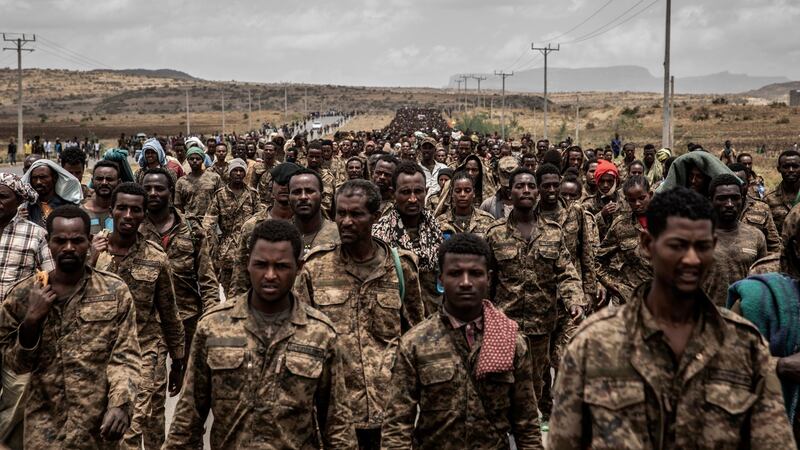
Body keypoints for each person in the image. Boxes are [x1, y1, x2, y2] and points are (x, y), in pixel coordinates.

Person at [549, 186, 796, 449]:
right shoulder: (593, 344)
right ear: (647, 245)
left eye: (702, 246)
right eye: (677, 245)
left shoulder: (745, 346)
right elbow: (565, 442)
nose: (691, 259)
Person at [164, 220, 357, 449]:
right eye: (261, 264)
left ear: (299, 267)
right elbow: (187, 420)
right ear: (248, 264)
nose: (270, 275)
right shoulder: (213, 327)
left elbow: (337, 427)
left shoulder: (321, 334)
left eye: (281, 266)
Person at [381, 233, 543, 449]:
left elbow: (527, 424)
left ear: (489, 278)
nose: (466, 282)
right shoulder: (415, 343)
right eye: (455, 273)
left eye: (475, 273)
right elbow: (397, 427)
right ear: (440, 279)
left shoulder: (510, 339)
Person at [296, 180, 424, 449]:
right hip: (335, 416)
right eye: (341, 213)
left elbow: (416, 339)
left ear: (375, 217)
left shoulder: (400, 268)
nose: (346, 222)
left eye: (356, 214)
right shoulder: (315, 269)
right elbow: (300, 340)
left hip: (390, 415)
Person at [0, 205, 140, 449]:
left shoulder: (114, 291)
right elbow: (15, 367)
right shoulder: (23, 294)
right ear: (48, 242)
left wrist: (120, 404)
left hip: (98, 427)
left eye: (77, 240)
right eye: (60, 240)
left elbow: (125, 356)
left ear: (89, 241)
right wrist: (31, 322)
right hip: (44, 430)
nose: (68, 248)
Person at [485, 167, 584, 429]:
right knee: (503, 382)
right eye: (520, 186)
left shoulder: (553, 232)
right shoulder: (494, 233)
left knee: (535, 384)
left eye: (531, 186)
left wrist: (574, 300)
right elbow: (486, 279)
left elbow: (567, 272)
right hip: (505, 325)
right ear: (510, 193)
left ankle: (527, 430)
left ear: (537, 191)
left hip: (541, 326)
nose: (526, 190)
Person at [89, 182, 185, 450]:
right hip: (97, 355)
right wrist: (91, 257)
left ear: (144, 214)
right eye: (122, 208)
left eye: (136, 210)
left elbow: (169, 312)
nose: (128, 216)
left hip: (143, 354)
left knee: (130, 429)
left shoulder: (156, 257)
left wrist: (178, 361)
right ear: (111, 210)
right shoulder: (92, 250)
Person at [0, 173, 54, 446]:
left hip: (16, 336)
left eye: (2, 197)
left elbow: (51, 278)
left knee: (15, 402)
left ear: (19, 200)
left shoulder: (35, 234)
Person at [140, 168, 219, 354]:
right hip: (148, 323)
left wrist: (212, 315)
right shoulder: (135, 228)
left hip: (187, 317)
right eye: (147, 188)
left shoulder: (191, 228)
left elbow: (207, 277)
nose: (153, 193)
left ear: (171, 191)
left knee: (189, 370)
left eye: (159, 188)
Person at [373, 162, 444, 316]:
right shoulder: (379, 235)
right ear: (393, 194)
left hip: (435, 317)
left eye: (418, 191)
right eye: (405, 192)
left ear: (426, 192)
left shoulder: (440, 231)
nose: (413, 199)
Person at [703, 174, 767, 306]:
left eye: (735, 198)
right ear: (710, 200)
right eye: (722, 198)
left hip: (745, 314)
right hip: (708, 314)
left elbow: (762, 281)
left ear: (742, 200)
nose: (729, 204)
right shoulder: (697, 236)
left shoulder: (756, 236)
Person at [202, 158, 262, 292]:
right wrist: (210, 244)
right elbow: (209, 222)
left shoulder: (252, 194)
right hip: (226, 250)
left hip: (249, 247)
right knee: (228, 289)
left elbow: (260, 218)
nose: (238, 173)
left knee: (249, 289)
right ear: (230, 173)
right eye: (235, 170)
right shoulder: (220, 195)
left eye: (241, 170)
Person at [596, 175, 653, 303]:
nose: (637, 204)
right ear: (626, 200)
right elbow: (597, 260)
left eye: (642, 198)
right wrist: (611, 283)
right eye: (632, 200)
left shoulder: (667, 221)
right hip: (631, 297)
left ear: (650, 195)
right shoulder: (620, 225)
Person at [728, 163, 782, 254]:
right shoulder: (717, 207)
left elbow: (774, 244)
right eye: (733, 183)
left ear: (748, 183)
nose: (737, 187)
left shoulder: (762, 208)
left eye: (741, 183)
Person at [287, 168, 340, 255]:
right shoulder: (280, 235)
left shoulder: (339, 235)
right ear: (288, 198)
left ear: (322, 196)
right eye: (297, 192)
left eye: (310, 191)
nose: (303, 197)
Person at [22, 159, 83, 227]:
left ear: (55, 178)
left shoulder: (67, 206)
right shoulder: (26, 207)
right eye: (34, 178)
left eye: (43, 177)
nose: (38, 182)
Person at [436, 171, 497, 238]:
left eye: (467, 191)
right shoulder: (440, 222)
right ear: (452, 193)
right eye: (458, 191)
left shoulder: (488, 221)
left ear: (473, 193)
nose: (462, 194)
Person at [173, 146, 222, 224]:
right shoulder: (181, 182)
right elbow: (178, 205)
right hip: (190, 223)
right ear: (188, 160)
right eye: (191, 159)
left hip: (211, 221)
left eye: (198, 159)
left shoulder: (214, 177)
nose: (195, 161)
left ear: (203, 160)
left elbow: (221, 200)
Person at [582, 159, 627, 239]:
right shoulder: (588, 203)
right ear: (597, 181)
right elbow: (584, 230)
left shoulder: (626, 200)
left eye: (609, 181)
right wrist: (601, 214)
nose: (605, 185)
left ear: (615, 181)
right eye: (602, 181)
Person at [80, 161, 120, 235]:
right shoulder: (81, 213)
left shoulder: (126, 212)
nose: (104, 183)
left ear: (118, 182)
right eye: (99, 179)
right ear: (92, 181)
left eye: (109, 179)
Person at [765, 150, 800, 235]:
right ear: (779, 169)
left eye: (795, 166)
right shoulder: (768, 199)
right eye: (786, 167)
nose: (791, 170)